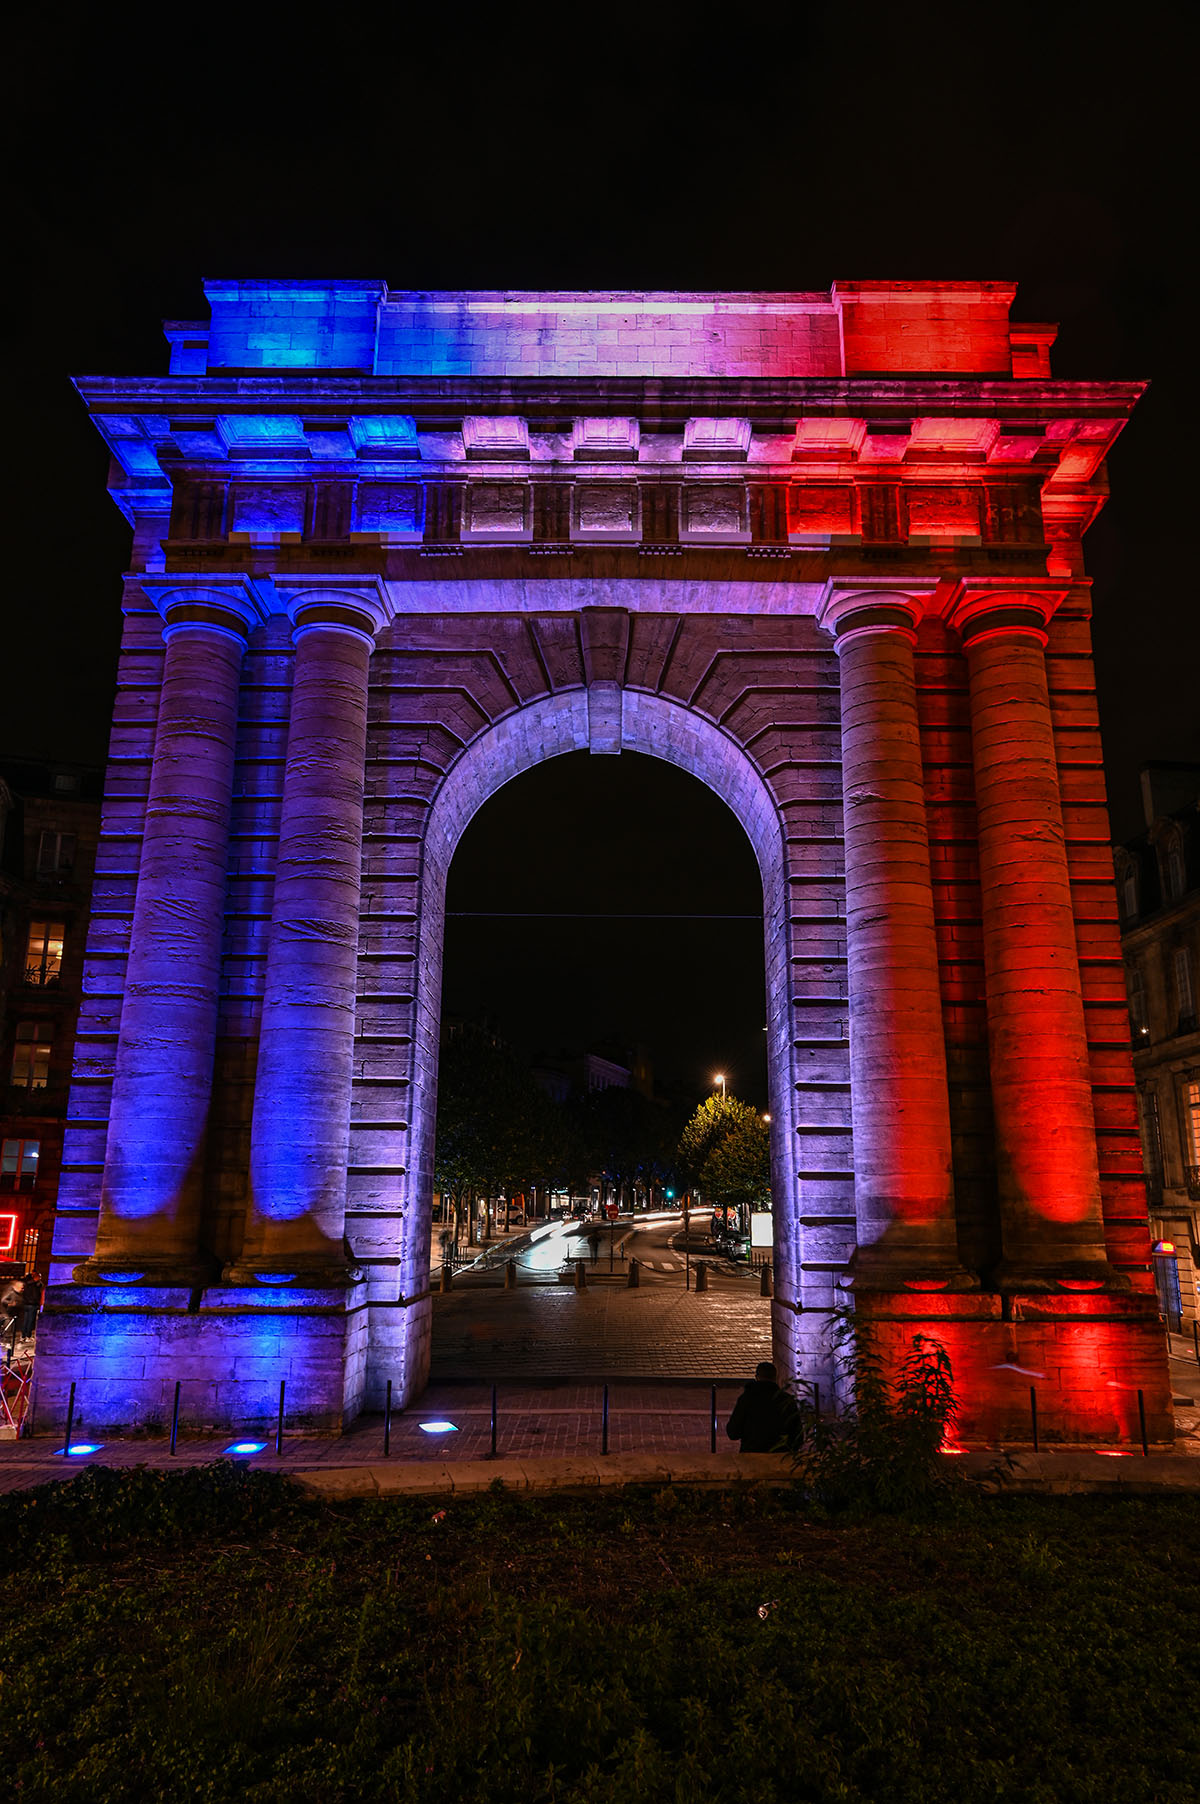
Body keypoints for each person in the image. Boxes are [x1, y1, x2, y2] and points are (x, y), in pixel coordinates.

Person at [725, 1361, 801, 1453]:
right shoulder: (787, 1400)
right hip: (780, 1455)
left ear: (757, 1377)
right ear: (775, 1377)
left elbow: (733, 1432)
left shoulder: (746, 1399)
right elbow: (798, 1436)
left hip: (751, 1454)